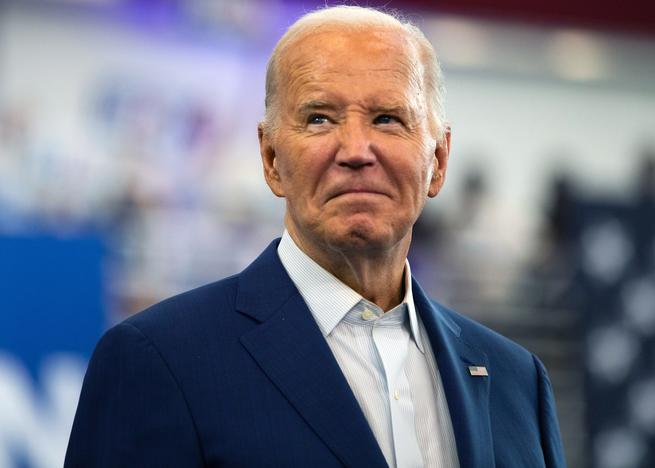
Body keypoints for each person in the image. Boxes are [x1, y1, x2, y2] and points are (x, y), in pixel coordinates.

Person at [65, 6, 566, 468]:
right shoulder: (158, 361)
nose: (355, 150)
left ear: (438, 161)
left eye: (387, 119)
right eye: (319, 118)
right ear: (271, 159)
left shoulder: (516, 380)